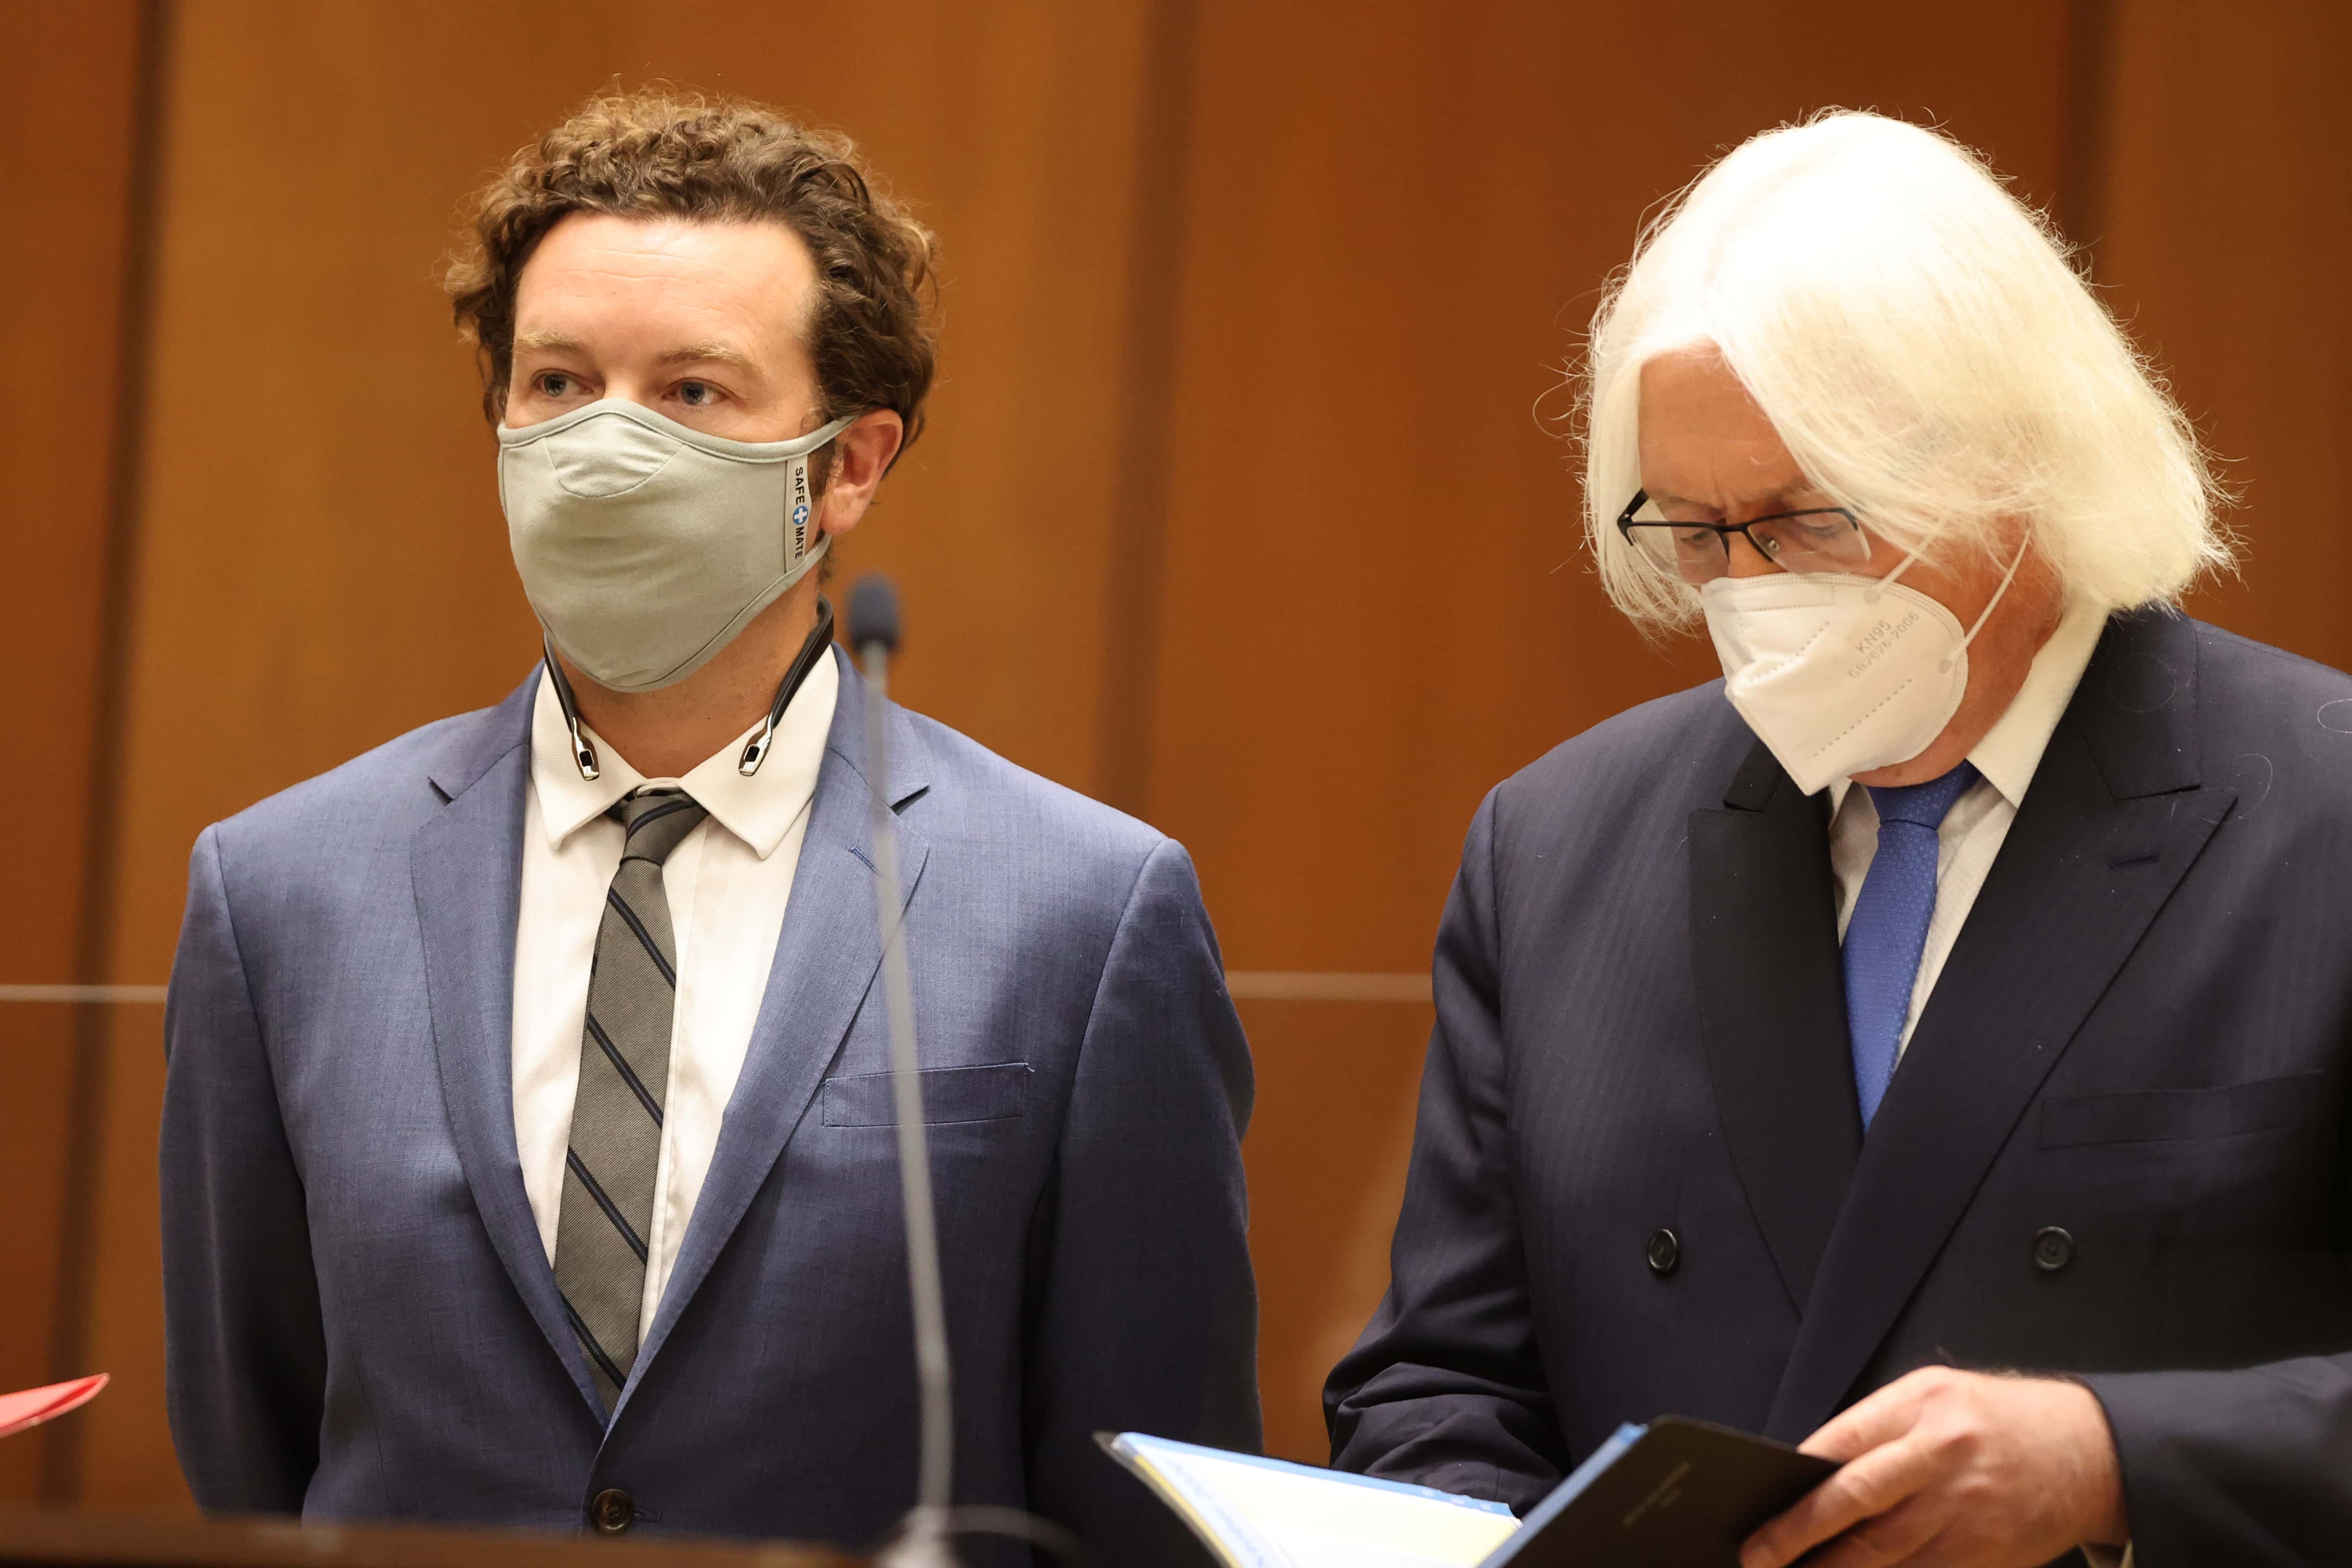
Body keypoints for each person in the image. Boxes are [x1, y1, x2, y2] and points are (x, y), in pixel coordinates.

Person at [160, 89, 1257, 1563]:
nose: (605, 443)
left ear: (848, 466)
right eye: (558, 381)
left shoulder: (1082, 912)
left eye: (691, 391)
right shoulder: (279, 891)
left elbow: (1150, 1495)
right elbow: (252, 1443)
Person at [1325, 111, 2352, 1568]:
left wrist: (2114, 1462)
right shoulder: (1557, 850)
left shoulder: (2319, 816)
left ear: (2017, 468)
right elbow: (1443, 1381)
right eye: (1696, 529)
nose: (1752, 590)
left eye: (1806, 519)